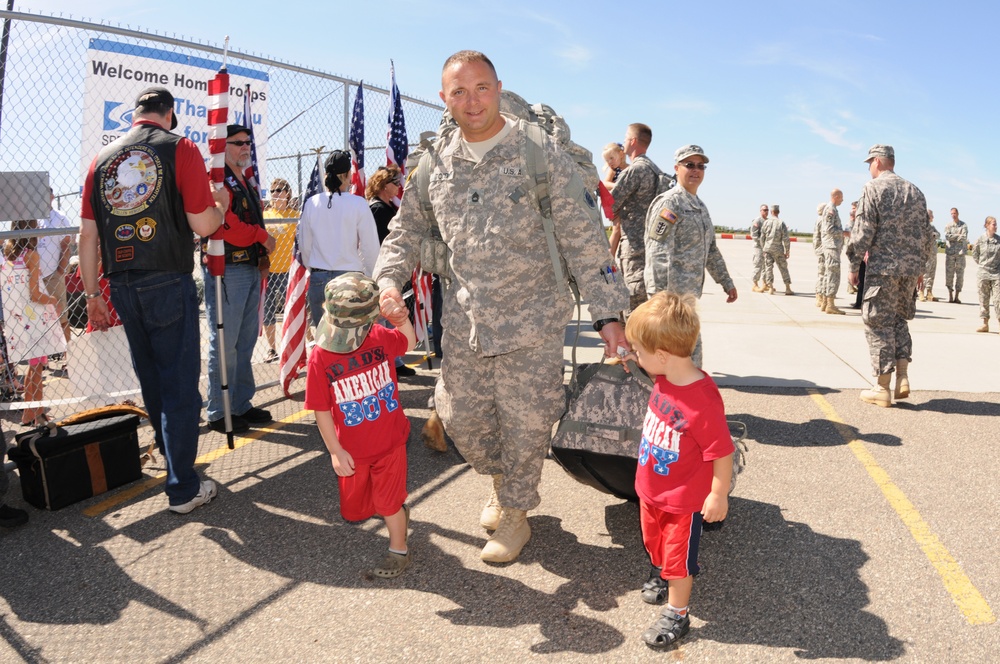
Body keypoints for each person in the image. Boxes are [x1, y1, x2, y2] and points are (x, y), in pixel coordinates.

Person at [374, 50, 628, 563]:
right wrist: (387, 280)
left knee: (528, 421)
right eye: (459, 92)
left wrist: (609, 316)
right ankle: (500, 480)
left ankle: (515, 511)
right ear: (444, 99)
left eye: (482, 88)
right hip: (465, 321)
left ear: (498, 87)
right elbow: (405, 230)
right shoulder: (434, 166)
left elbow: (585, 242)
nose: (472, 101)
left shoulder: (537, 154)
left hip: (532, 319)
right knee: (461, 418)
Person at [80, 85, 229, 513]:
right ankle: (182, 487)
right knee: (180, 384)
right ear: (169, 114)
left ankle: (173, 463)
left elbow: (87, 236)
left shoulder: (102, 160)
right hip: (166, 277)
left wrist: (93, 294)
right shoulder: (179, 148)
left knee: (152, 380)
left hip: (120, 282)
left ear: (136, 114)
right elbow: (203, 224)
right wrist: (221, 206)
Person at [623, 291, 734, 651]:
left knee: (678, 561)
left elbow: (721, 452)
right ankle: (662, 572)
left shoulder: (702, 400)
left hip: (682, 501)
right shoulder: (665, 376)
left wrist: (718, 493)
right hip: (651, 489)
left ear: (661, 356)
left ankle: (678, 611)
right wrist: (630, 357)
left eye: (638, 351)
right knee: (655, 546)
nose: (636, 356)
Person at [304, 273, 416, 578]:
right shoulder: (321, 356)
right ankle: (397, 515)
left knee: (387, 501)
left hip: (391, 440)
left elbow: (409, 341)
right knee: (355, 509)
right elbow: (321, 408)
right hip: (353, 450)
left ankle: (399, 549)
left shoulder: (378, 335)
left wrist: (399, 318)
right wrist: (335, 450)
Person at [201, 124, 277, 434]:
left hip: (247, 266)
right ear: (222, 146)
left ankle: (241, 403)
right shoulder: (215, 179)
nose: (246, 147)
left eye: (248, 142)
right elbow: (226, 224)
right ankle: (219, 411)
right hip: (226, 267)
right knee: (225, 343)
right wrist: (261, 236)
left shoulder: (244, 178)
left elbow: (246, 218)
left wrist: (261, 253)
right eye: (238, 143)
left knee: (244, 342)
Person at [846, 145, 932, 408]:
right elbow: (926, 235)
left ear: (878, 162)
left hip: (883, 269)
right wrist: (920, 269)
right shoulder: (915, 191)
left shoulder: (873, 188)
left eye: (870, 162)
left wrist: (853, 263)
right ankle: (903, 377)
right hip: (909, 271)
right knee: (898, 321)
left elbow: (863, 231)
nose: (869, 168)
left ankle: (882, 388)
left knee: (877, 324)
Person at [643, 144, 737, 369]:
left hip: (688, 300)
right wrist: (660, 300)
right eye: (689, 165)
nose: (696, 170)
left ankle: (682, 400)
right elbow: (657, 252)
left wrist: (726, 281)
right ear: (677, 168)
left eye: (700, 166)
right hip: (670, 301)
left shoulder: (699, 206)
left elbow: (710, 249)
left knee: (686, 357)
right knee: (673, 360)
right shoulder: (670, 203)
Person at [297, 150, 380, 330]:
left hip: (319, 278)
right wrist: (371, 276)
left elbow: (304, 245)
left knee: (324, 337)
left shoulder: (312, 203)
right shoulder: (358, 204)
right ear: (348, 175)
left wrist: (315, 267)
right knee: (351, 338)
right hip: (350, 279)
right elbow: (370, 247)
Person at [1, 219, 66, 426]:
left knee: (34, 365)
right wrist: (53, 300)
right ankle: (35, 414)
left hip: (17, 317)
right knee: (37, 368)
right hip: (35, 317)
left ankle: (31, 413)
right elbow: (35, 294)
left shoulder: (8, 255)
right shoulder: (31, 255)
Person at [366, 165, 416, 378]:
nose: (398, 186)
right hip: (381, 269)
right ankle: (387, 361)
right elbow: (379, 242)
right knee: (383, 318)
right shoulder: (377, 209)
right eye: (394, 183)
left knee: (391, 316)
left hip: (391, 270)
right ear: (383, 185)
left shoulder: (388, 207)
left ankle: (393, 360)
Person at [612, 123, 667, 316]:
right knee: (645, 305)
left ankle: (632, 346)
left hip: (633, 247)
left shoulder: (635, 170)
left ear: (633, 141)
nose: (624, 143)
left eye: (626, 138)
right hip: (651, 247)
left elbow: (610, 205)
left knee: (631, 305)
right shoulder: (655, 170)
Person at [262, 177, 298, 362]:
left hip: (288, 271)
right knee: (268, 311)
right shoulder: (266, 215)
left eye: (280, 190)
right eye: (273, 190)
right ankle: (271, 349)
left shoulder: (294, 215)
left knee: (292, 308)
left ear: (288, 193)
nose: (276, 193)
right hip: (269, 271)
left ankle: (296, 344)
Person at [37, 187, 73, 342]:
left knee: (61, 318)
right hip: (33, 277)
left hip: (52, 275)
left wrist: (59, 272)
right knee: (36, 320)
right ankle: (40, 362)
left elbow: (66, 246)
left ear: (52, 196)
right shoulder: (31, 218)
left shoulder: (60, 218)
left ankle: (68, 358)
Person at [818, 189, 846, 314]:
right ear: (835, 196)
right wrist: (843, 233)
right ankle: (830, 304)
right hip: (831, 246)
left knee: (828, 274)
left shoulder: (832, 209)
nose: (842, 200)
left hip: (830, 246)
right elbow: (829, 229)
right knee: (833, 275)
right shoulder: (831, 209)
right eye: (841, 197)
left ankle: (825, 302)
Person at [972, 216, 1000, 333]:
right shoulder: (980, 240)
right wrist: (982, 265)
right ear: (987, 225)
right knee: (983, 299)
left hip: (996, 274)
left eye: (996, 224)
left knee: (998, 300)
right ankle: (985, 323)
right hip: (983, 273)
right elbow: (975, 254)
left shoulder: (999, 240)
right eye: (993, 224)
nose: (996, 226)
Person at [760, 204, 793, 295]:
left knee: (768, 268)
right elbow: (786, 238)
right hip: (778, 249)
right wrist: (787, 251)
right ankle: (787, 288)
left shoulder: (766, 222)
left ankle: (770, 288)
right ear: (778, 212)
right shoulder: (781, 223)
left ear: (771, 212)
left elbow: (762, 237)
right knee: (783, 268)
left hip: (768, 249)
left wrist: (763, 248)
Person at [944, 207, 969, 303]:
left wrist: (954, 237)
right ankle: (950, 294)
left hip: (960, 254)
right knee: (949, 274)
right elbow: (947, 236)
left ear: (958, 213)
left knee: (960, 275)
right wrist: (957, 236)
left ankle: (957, 296)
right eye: (951, 213)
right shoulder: (948, 225)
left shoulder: (963, 225)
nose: (953, 215)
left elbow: (964, 237)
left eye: (954, 213)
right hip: (950, 253)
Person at [921, 210, 940, 302]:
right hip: (925, 253)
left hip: (933, 253)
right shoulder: (922, 226)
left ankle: (929, 291)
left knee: (932, 274)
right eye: (932, 215)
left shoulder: (932, 227)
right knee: (925, 273)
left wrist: (933, 234)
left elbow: (938, 235)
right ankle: (921, 291)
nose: (933, 217)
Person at [750, 204, 768, 292]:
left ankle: (765, 284)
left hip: (766, 248)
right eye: (764, 210)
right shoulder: (757, 221)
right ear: (760, 211)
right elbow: (754, 235)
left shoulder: (768, 221)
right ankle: (755, 284)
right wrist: (762, 244)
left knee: (766, 266)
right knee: (757, 265)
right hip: (758, 247)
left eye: (767, 210)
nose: (766, 211)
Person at [812, 202, 825, 306]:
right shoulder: (822, 220)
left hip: (819, 249)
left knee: (821, 273)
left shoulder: (818, 220)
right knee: (822, 274)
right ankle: (819, 296)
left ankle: (820, 296)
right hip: (822, 250)